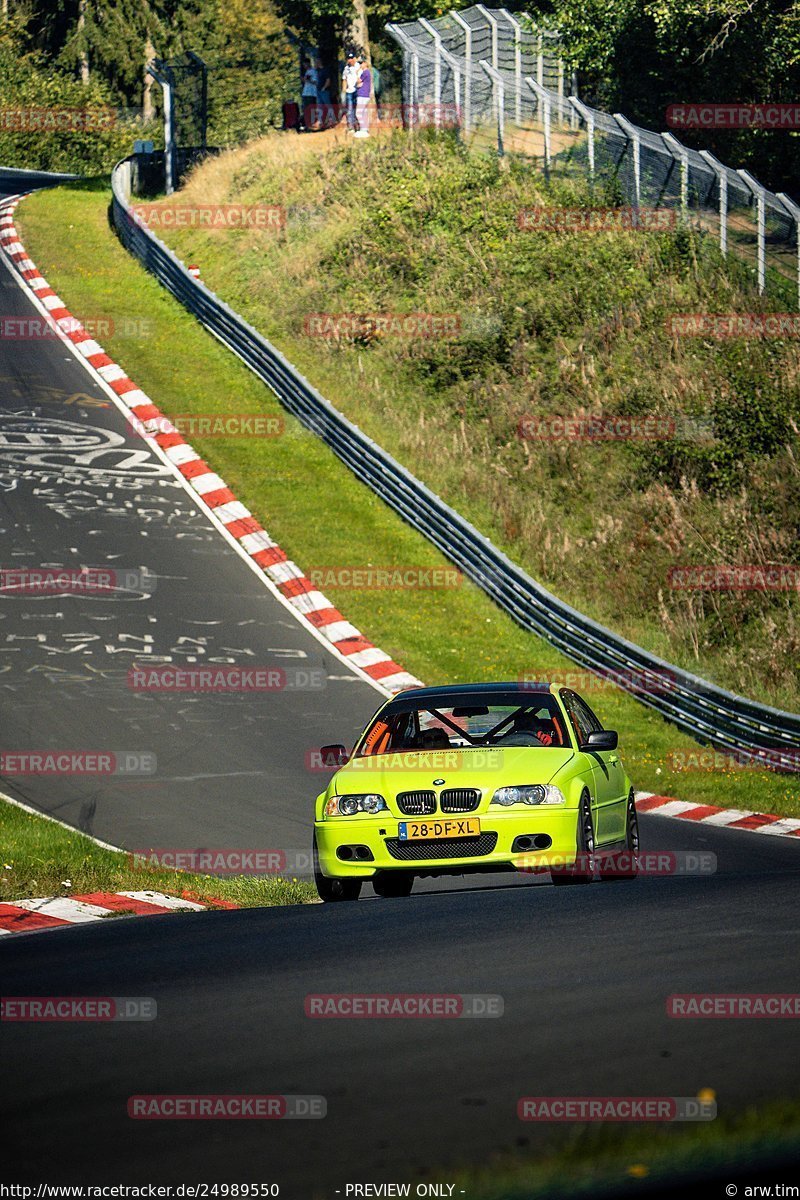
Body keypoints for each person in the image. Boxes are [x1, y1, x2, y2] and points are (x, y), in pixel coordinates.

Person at [354, 55, 371, 138]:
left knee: (359, 113)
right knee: (364, 113)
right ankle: (365, 129)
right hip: (365, 95)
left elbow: (358, 81)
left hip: (362, 95)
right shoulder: (366, 72)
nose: (360, 65)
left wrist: (356, 73)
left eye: (361, 63)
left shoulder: (365, 72)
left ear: (365, 63)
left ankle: (363, 129)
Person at [342, 51, 360, 132]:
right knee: (349, 109)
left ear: (355, 58)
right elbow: (344, 79)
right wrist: (344, 90)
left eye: (352, 58)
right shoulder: (346, 68)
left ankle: (358, 125)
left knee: (358, 109)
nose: (350, 60)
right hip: (349, 91)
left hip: (357, 90)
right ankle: (351, 127)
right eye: (349, 58)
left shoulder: (358, 66)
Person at [301, 57, 318, 129]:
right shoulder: (307, 72)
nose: (304, 66)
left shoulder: (313, 71)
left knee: (312, 109)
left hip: (312, 93)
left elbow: (315, 82)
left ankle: (312, 123)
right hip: (306, 93)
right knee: (306, 109)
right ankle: (307, 124)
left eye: (305, 64)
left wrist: (308, 80)